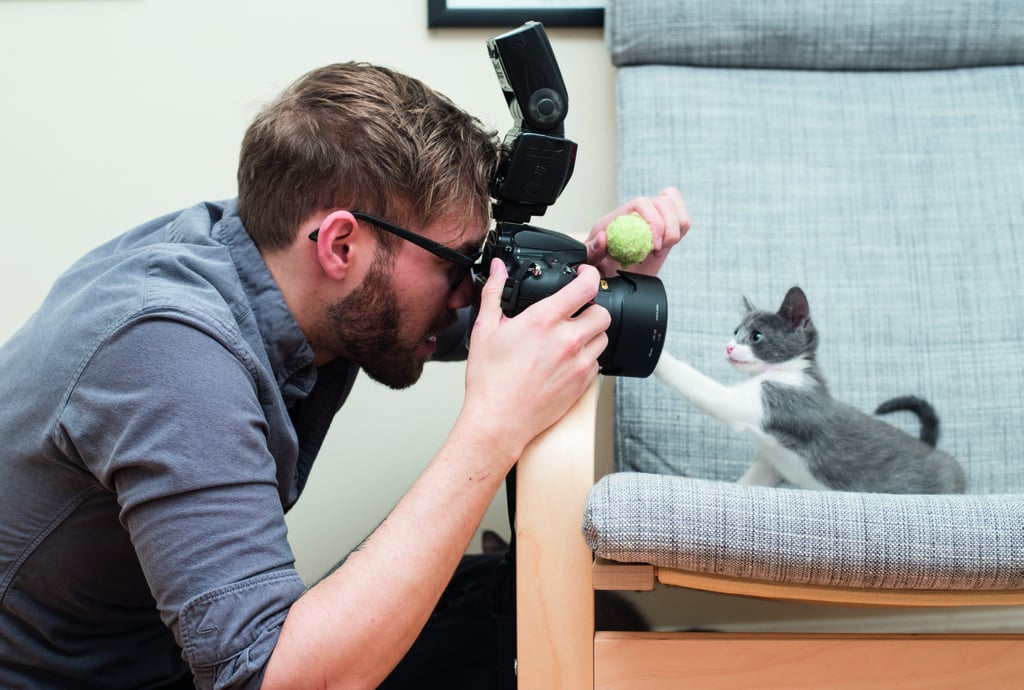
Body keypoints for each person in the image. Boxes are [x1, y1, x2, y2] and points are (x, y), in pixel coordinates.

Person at [0, 61, 689, 689]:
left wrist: (591, 283)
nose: (464, 292)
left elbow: (489, 320)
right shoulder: (169, 352)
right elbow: (275, 680)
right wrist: (492, 429)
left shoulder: (266, 256)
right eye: (456, 264)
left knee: (508, 604)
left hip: (165, 657)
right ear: (340, 245)